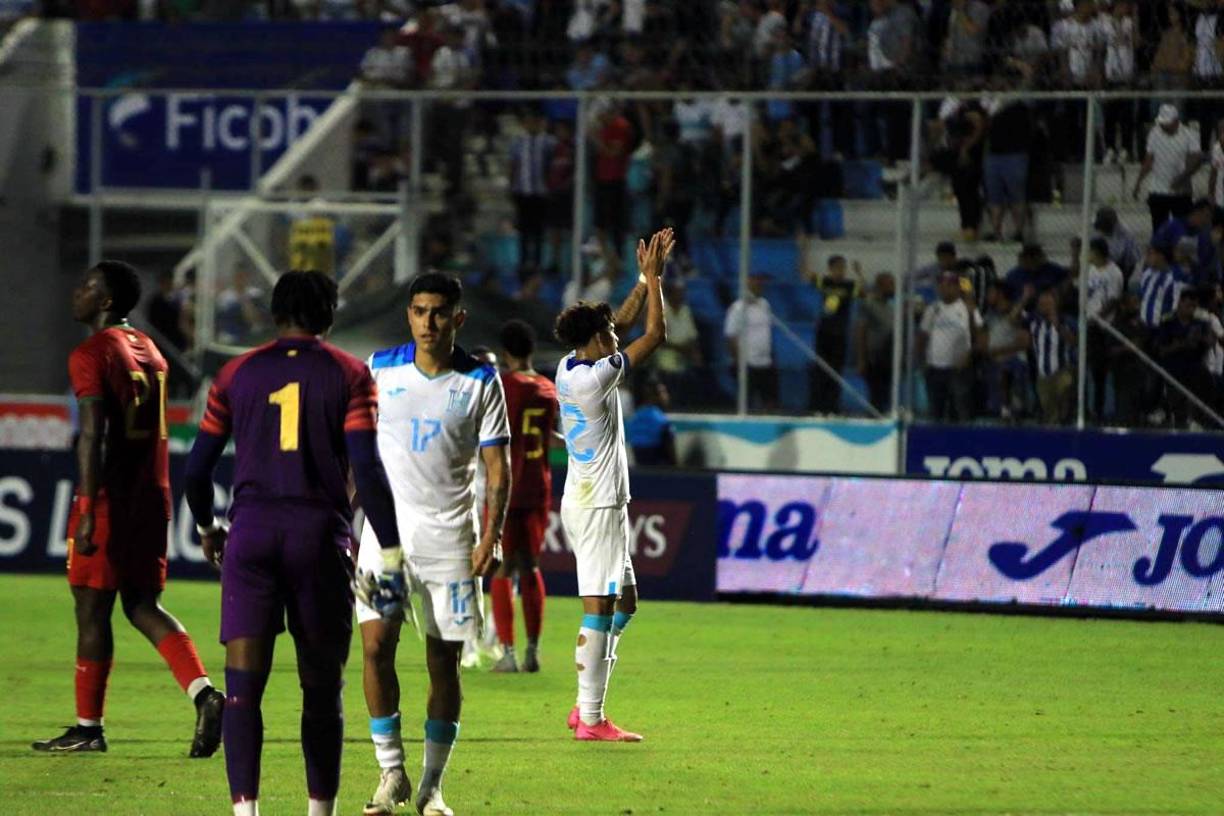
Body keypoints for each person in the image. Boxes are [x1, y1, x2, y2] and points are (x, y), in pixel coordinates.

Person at [182, 270, 406, 816]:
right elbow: (368, 471)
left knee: (242, 690)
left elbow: (196, 471)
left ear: (275, 313)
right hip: (318, 538)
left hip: (252, 535)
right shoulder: (351, 375)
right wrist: (393, 552)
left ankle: (245, 811)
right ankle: (318, 812)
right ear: (328, 315)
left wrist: (209, 527)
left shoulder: (236, 373)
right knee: (321, 689)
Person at [33, 261, 225, 757]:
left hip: (110, 498)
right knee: (142, 604)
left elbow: (94, 434)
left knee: (91, 608)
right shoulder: (151, 350)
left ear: (107, 301)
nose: (77, 292)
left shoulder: (92, 352)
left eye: (86, 286)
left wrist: (90, 508)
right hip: (152, 495)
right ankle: (204, 693)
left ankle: (88, 727)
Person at [355, 273, 510, 816]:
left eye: (439, 312)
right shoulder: (379, 369)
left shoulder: (481, 381)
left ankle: (432, 787)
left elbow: (498, 469)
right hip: (385, 539)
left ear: (458, 319)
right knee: (375, 648)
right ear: (409, 315)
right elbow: (357, 452)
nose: (428, 322)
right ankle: (390, 772)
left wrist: (490, 536)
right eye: (419, 311)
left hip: (451, 540)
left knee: (443, 664)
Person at [553, 227, 674, 743]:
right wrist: (657, 285)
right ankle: (591, 717)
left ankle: (588, 700)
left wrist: (642, 284)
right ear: (593, 342)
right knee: (599, 606)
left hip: (595, 498)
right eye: (606, 334)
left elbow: (620, 324)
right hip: (597, 503)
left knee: (624, 604)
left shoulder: (571, 363)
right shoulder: (591, 378)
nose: (614, 336)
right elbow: (652, 338)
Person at [489, 319, 556, 674]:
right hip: (538, 486)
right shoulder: (547, 388)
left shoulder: (503, 386)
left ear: (505, 354)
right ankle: (533, 651)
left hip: (505, 486)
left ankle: (508, 653)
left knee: (501, 567)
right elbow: (552, 435)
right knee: (530, 565)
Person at [917, 270, 984, 422]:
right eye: (941, 285)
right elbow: (922, 336)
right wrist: (922, 360)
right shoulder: (933, 309)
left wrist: (970, 355)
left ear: (956, 288)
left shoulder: (968, 309)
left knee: (960, 409)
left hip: (958, 368)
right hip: (935, 367)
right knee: (935, 410)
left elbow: (979, 335)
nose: (944, 288)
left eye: (949, 285)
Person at [1134, 104, 1204, 232]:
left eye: (1167, 123)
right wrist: (1138, 182)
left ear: (1176, 121)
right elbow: (1149, 160)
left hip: (1180, 191)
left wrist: (1182, 177)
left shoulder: (1189, 134)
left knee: (1183, 227)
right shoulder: (1155, 133)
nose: (1163, 126)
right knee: (1159, 227)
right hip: (1158, 189)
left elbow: (1197, 159)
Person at [806, 254, 861, 414]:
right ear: (830, 269)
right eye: (837, 268)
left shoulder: (849, 286)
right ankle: (817, 406)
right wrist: (804, 249)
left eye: (843, 268)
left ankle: (832, 407)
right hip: (824, 332)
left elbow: (863, 291)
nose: (841, 271)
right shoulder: (824, 282)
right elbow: (807, 274)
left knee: (836, 372)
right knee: (821, 370)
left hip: (840, 333)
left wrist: (859, 272)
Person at [1079, 237, 1124, 421]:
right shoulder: (1089, 270)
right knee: (1087, 368)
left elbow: (1114, 300)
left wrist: (1097, 317)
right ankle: (1086, 409)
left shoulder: (1114, 273)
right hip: (1088, 324)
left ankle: (1100, 410)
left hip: (1104, 326)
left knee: (1100, 371)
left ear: (1097, 252)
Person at [1155, 289, 1214, 427]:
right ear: (1180, 303)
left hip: (1195, 367)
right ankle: (1178, 423)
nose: (1191, 310)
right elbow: (1161, 350)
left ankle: (1200, 423)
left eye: (1194, 307)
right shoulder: (1168, 321)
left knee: (1204, 395)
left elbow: (1211, 342)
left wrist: (1203, 339)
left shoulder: (1201, 322)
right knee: (1177, 402)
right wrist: (1182, 344)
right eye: (1188, 306)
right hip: (1174, 368)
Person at [509, 108, 556, 279]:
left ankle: (536, 263)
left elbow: (553, 165)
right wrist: (512, 185)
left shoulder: (548, 143)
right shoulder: (518, 142)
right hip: (523, 191)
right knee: (523, 230)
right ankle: (523, 263)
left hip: (541, 192)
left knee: (538, 230)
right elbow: (513, 164)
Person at [724, 271, 777, 411]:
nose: (759, 285)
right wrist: (739, 360)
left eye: (761, 282)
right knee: (747, 401)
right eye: (756, 282)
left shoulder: (765, 305)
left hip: (765, 362)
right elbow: (731, 336)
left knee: (770, 400)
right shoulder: (738, 308)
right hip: (748, 362)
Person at [1022, 289, 1077, 425]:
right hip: (1043, 374)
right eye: (1042, 303)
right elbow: (1013, 319)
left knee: (1064, 397)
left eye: (1048, 303)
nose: (1044, 306)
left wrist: (1058, 325)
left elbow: (1075, 341)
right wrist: (1024, 298)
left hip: (1063, 370)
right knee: (1049, 411)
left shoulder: (1067, 321)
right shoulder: (1034, 321)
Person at [854, 271, 895, 413]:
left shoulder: (890, 307)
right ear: (880, 286)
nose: (894, 288)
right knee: (876, 395)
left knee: (885, 395)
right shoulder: (868, 305)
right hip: (874, 357)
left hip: (888, 357)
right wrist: (861, 359)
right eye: (891, 285)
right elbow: (861, 331)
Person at [626, 378, 677, 466]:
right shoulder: (661, 421)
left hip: (640, 469)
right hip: (660, 470)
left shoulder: (635, 418)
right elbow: (671, 453)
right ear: (654, 395)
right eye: (663, 392)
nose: (666, 396)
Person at [1092, 206, 1143, 284]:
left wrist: (1121, 279)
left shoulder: (1125, 236)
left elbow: (1131, 262)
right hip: (1097, 265)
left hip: (1118, 269)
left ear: (1112, 223)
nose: (1101, 229)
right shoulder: (1095, 231)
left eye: (1103, 225)